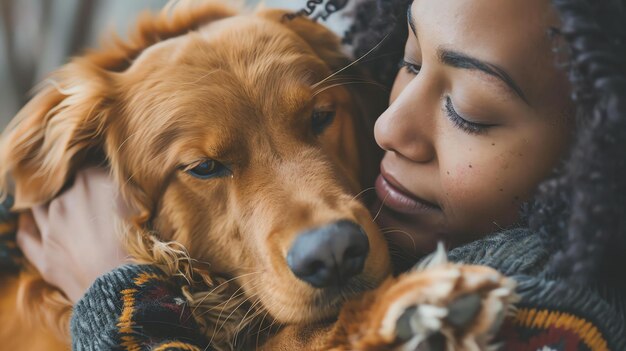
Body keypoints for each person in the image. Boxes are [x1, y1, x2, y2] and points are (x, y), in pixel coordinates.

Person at [4, 0, 625, 349]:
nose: (387, 128)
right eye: (407, 64)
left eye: (470, 110)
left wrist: (113, 294)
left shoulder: (551, 322)